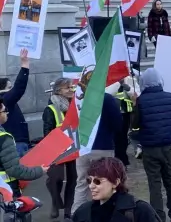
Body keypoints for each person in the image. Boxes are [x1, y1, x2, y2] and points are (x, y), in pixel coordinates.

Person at [131, 68, 171, 222]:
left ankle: (158, 217)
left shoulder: (141, 101)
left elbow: (134, 125)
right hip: (168, 148)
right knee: (170, 182)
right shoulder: (170, 97)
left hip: (150, 150)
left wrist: (134, 106)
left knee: (155, 185)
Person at [72, 69, 123, 215]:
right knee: (105, 181)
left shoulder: (78, 100)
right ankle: (104, 213)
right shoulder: (106, 99)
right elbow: (118, 125)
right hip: (102, 146)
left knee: (82, 182)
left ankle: (77, 214)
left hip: (82, 147)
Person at [71, 157, 160, 222]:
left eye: (98, 181)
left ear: (115, 182)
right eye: (89, 180)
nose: (91, 186)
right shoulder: (83, 212)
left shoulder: (139, 210)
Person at [43, 78, 77, 220]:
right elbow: (47, 133)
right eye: (66, 87)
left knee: (73, 179)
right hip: (56, 149)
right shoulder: (50, 109)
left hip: (74, 147)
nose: (70, 89)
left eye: (71, 87)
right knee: (56, 179)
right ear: (58, 91)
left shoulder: (76, 106)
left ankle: (69, 210)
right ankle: (56, 202)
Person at [0, 97, 46, 197]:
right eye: (4, 111)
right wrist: (39, 171)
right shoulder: (4, 138)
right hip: (6, 191)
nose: (7, 113)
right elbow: (14, 170)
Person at [0, 49, 31, 156]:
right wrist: (25, 65)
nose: (11, 89)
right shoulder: (5, 99)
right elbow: (19, 87)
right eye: (9, 87)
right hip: (16, 144)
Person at [108, 76, 134, 167]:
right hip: (113, 113)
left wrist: (128, 88)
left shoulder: (130, 79)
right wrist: (117, 84)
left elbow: (136, 93)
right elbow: (106, 93)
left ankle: (122, 158)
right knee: (115, 138)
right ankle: (118, 159)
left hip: (126, 113)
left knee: (123, 137)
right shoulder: (109, 79)